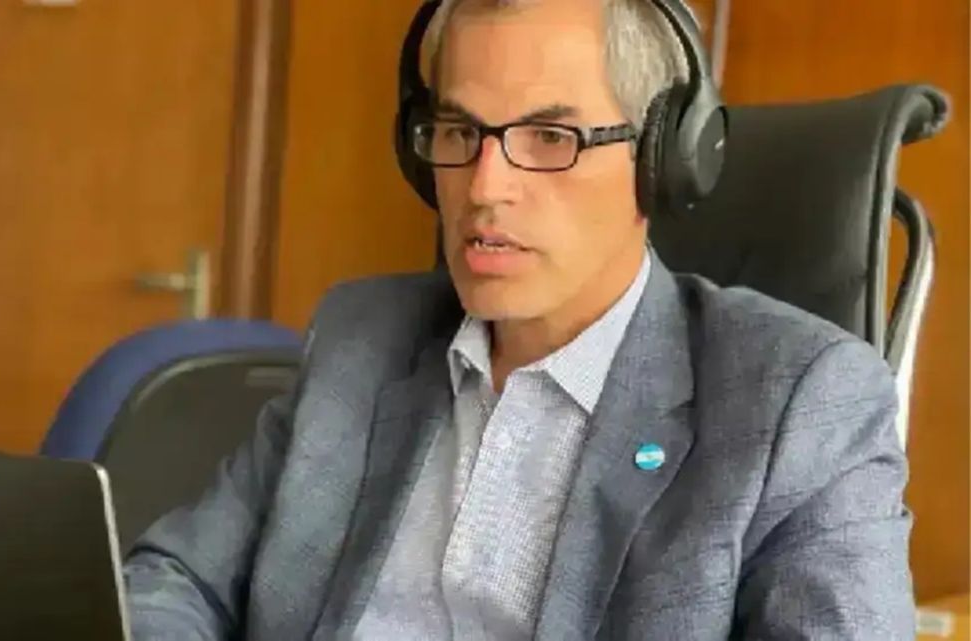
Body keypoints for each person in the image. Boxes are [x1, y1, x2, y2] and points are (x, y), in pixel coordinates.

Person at [122, 0, 916, 638]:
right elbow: (178, 578)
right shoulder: (364, 337)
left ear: (662, 160)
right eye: (460, 132)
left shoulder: (802, 403)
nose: (485, 186)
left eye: (549, 137)